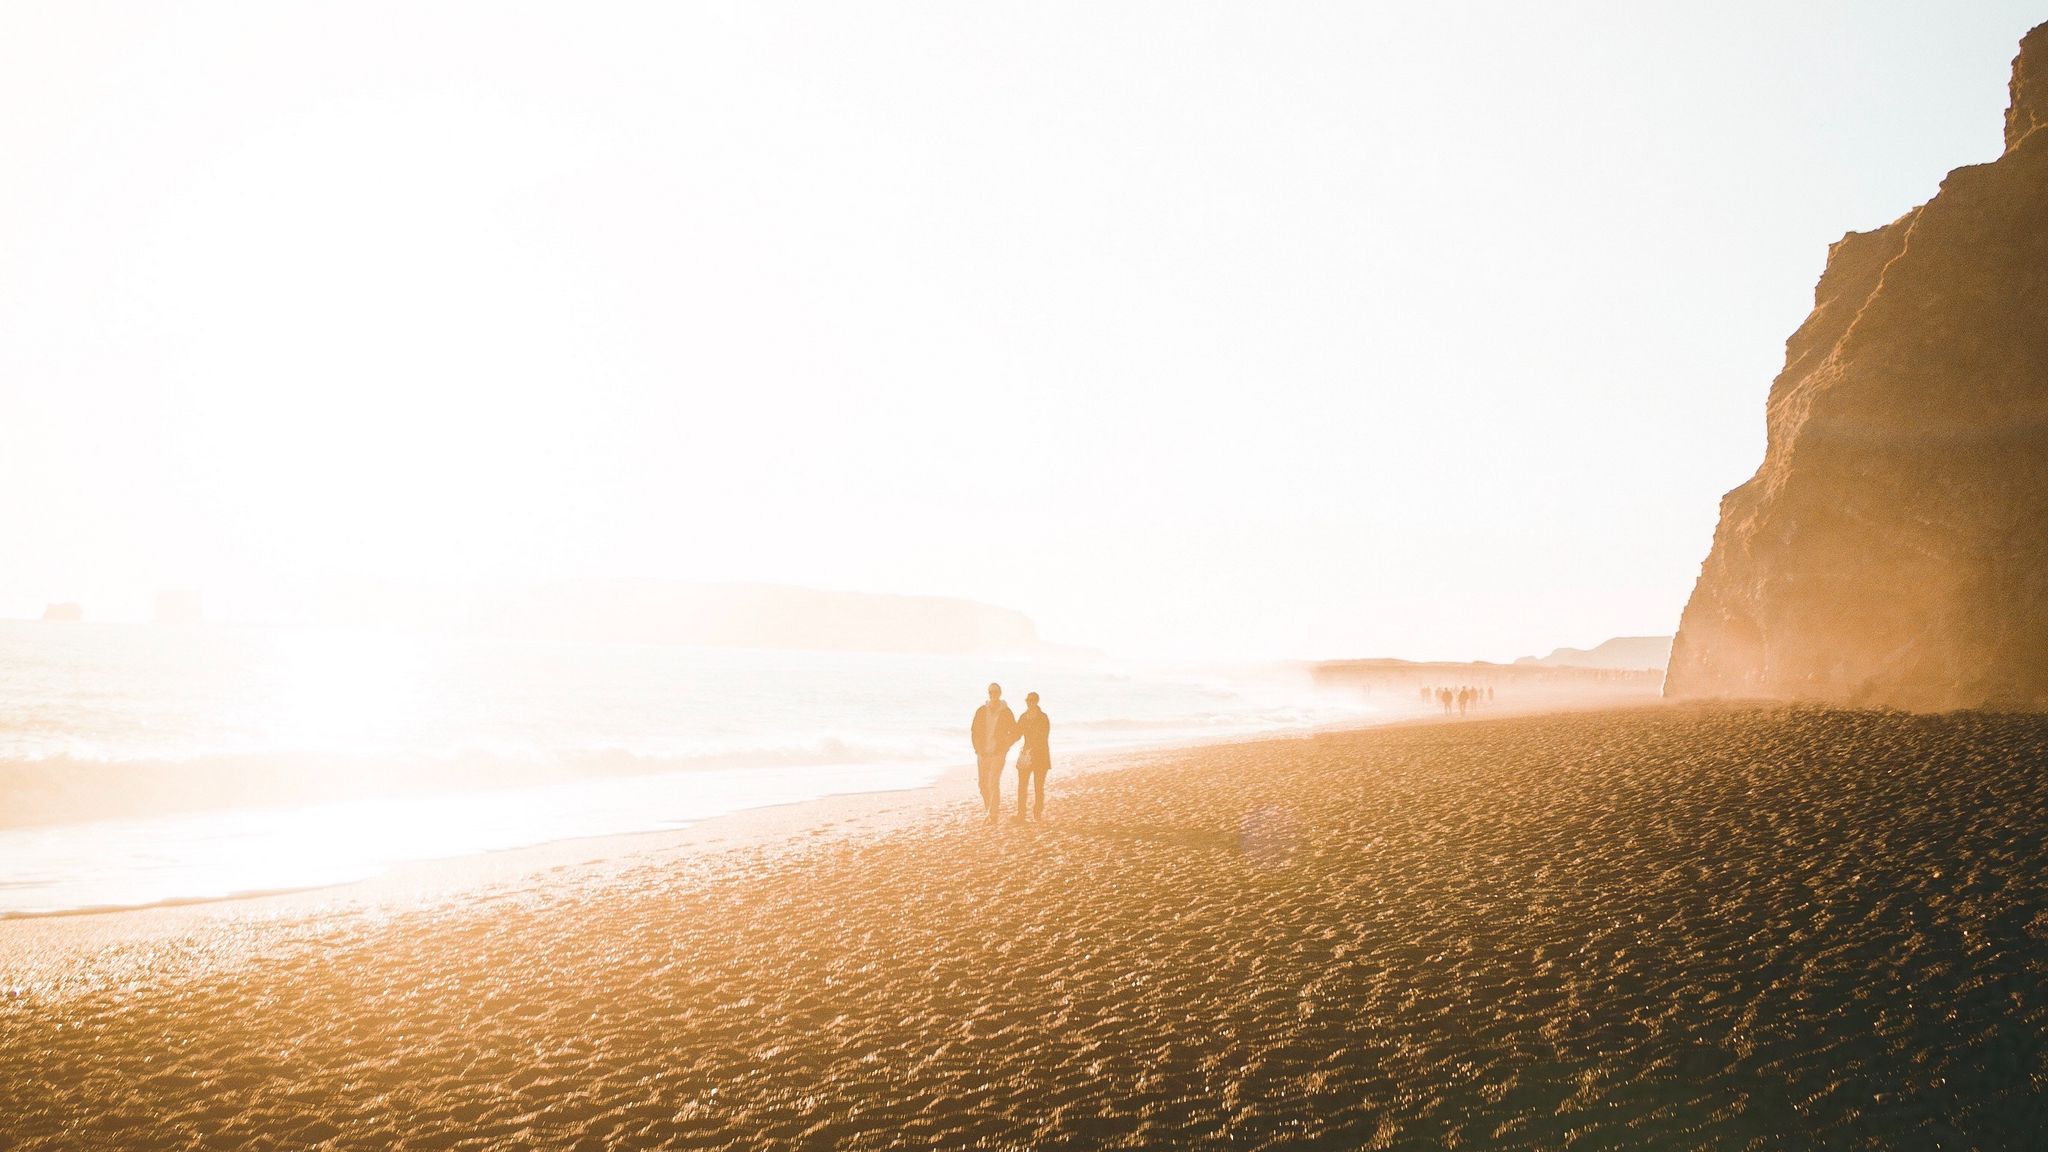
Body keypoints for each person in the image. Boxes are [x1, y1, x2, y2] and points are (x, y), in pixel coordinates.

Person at [969, 682, 1017, 822]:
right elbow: (974, 731)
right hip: (983, 754)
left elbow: (1014, 732)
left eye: (995, 692)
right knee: (982, 785)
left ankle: (993, 814)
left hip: (998, 754)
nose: (993, 695)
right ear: (988, 694)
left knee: (993, 783)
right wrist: (977, 749)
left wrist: (1005, 746)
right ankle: (988, 809)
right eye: (990, 692)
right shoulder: (981, 711)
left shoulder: (1006, 712)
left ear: (1000, 693)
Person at [1014, 691, 1052, 822]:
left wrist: (1031, 749)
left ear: (1036, 701)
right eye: (1027, 700)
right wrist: (1004, 740)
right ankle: (1021, 814)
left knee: (1038, 787)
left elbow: (1043, 736)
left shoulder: (1043, 718)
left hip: (1040, 756)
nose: (1029, 703)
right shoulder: (1023, 717)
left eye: (1031, 700)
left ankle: (1037, 814)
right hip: (1026, 755)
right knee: (1022, 786)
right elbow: (1017, 733)